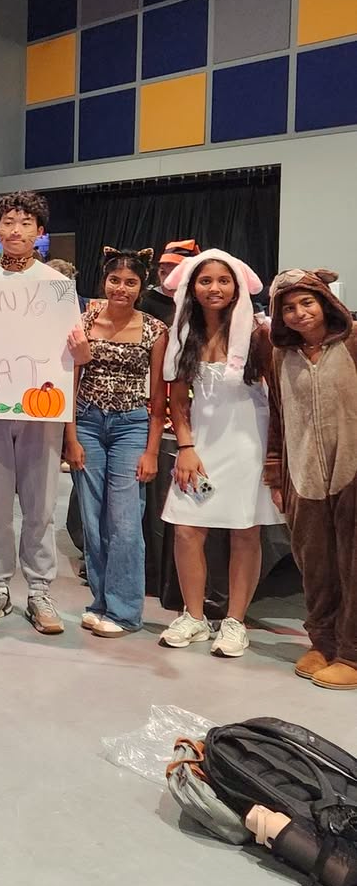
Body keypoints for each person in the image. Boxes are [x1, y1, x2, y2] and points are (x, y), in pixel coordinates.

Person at [0, 191, 90, 636]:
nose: (15, 230)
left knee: (40, 507)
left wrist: (82, 352)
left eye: (25, 223)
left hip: (42, 409)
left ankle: (39, 590)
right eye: (8, 222)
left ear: (39, 231)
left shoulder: (56, 288)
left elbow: (74, 356)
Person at [158, 249, 281, 657]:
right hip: (200, 446)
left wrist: (275, 456)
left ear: (237, 287)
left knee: (245, 532)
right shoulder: (181, 332)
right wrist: (186, 447)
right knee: (186, 529)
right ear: (192, 286)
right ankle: (194, 617)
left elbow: (277, 395)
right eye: (205, 280)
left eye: (223, 280)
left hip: (248, 443)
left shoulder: (259, 333)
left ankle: (235, 621)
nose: (215, 288)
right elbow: (177, 399)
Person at [63, 248, 168, 637]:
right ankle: (100, 602)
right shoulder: (85, 320)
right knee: (92, 519)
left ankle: (125, 611)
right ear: (104, 281)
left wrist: (152, 450)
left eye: (130, 282)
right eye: (114, 280)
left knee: (124, 521)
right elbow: (70, 380)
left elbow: (159, 397)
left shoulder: (155, 330)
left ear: (142, 287)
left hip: (131, 426)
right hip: (88, 422)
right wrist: (70, 437)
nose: (121, 288)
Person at [265, 269, 357, 689]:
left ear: (326, 303)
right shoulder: (280, 355)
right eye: (288, 307)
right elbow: (277, 415)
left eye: (307, 303)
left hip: (351, 471)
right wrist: (275, 472)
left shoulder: (353, 342)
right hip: (303, 474)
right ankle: (323, 641)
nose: (299, 313)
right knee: (315, 563)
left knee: (352, 562)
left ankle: (352, 653)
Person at [140, 240, 200, 327]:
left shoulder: (197, 302)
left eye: (174, 274)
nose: (167, 280)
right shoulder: (145, 300)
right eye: (163, 272)